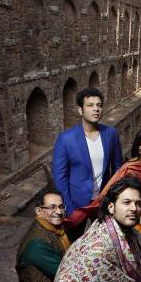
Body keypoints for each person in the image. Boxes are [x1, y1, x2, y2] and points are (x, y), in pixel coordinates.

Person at [65, 128, 141, 282]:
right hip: (134, 220)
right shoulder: (129, 169)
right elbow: (120, 201)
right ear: (140, 146)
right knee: (137, 262)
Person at [52, 87, 122, 239]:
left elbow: (117, 169)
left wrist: (112, 199)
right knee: (72, 244)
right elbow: (59, 178)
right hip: (77, 205)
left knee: (105, 242)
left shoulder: (110, 134)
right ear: (80, 110)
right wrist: (69, 209)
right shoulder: (66, 139)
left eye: (99, 105)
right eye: (90, 105)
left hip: (102, 202)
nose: (96, 109)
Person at [16, 187, 70, 282]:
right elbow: (65, 274)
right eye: (52, 207)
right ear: (39, 212)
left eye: (61, 207)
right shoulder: (38, 244)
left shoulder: (54, 228)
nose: (59, 212)